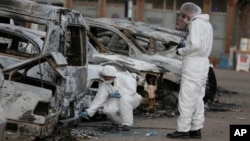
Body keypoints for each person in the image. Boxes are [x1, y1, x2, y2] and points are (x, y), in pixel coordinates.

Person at [167, 2, 213, 139]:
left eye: (183, 15)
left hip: (193, 63)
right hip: (203, 62)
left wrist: (181, 50)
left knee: (186, 98)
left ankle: (183, 130)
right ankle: (196, 129)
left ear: (187, 14)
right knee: (198, 98)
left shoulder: (196, 23)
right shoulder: (207, 24)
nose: (183, 18)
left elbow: (195, 45)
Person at [80, 65, 142, 131]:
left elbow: (132, 91)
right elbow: (99, 99)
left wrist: (121, 92)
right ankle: (117, 123)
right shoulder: (105, 84)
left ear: (113, 76)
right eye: (105, 77)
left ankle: (126, 124)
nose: (106, 78)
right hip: (116, 99)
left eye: (108, 77)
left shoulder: (125, 78)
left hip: (132, 98)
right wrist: (89, 111)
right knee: (108, 110)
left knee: (125, 99)